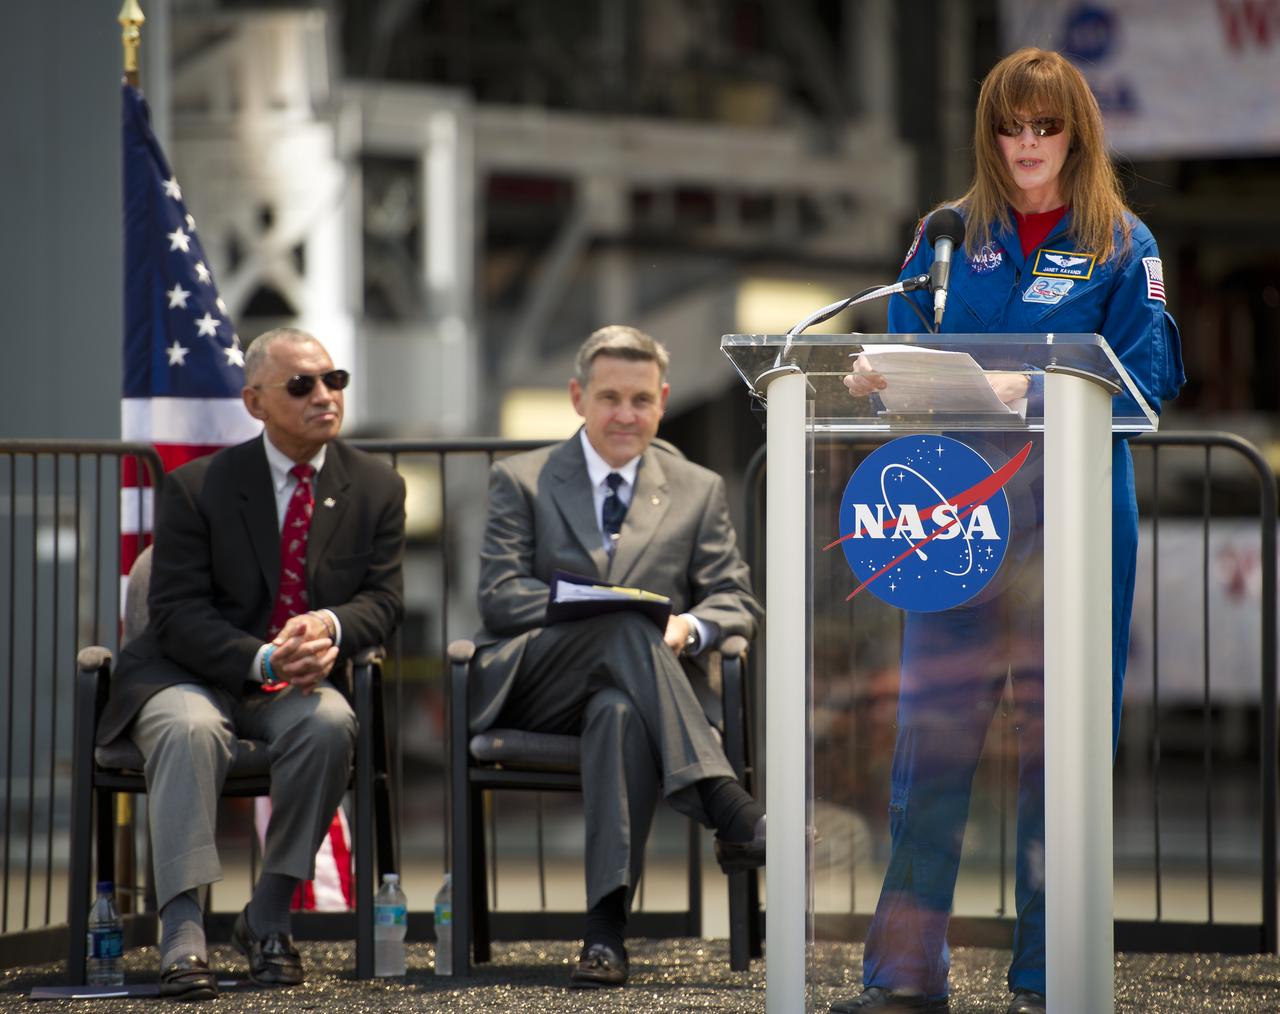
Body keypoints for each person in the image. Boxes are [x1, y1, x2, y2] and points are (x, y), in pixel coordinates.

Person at [830, 48, 1185, 1014]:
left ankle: (1047, 978)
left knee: (1059, 754)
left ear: (1078, 131)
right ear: (989, 134)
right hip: (954, 523)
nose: (1027, 145)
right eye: (1010, 127)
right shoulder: (951, 235)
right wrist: (874, 372)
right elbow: (901, 333)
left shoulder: (1124, 241)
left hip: (1067, 526)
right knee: (929, 747)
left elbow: (1150, 379)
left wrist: (1040, 383)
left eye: (1047, 126)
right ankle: (904, 979)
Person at [97, 327, 406, 1000]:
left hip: (299, 681)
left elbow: (383, 602)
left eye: (334, 380)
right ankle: (182, 924)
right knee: (188, 730)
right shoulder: (196, 486)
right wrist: (265, 655)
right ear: (255, 402)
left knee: (328, 726)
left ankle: (268, 914)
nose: (324, 395)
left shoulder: (377, 486)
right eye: (301, 385)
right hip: (190, 671)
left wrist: (328, 628)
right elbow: (174, 613)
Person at [470, 324, 765, 988]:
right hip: (539, 683)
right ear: (577, 397)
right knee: (622, 623)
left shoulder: (698, 488)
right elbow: (499, 595)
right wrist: (598, 608)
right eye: (610, 398)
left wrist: (686, 630)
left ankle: (604, 937)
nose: (626, 415)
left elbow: (734, 600)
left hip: (639, 693)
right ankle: (727, 804)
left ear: (662, 400)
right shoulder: (521, 479)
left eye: (640, 399)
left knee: (619, 712)